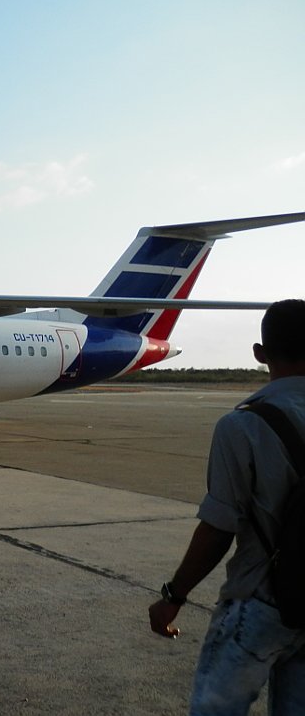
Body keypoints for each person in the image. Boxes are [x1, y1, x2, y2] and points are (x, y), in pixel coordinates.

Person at [148, 299, 305, 715]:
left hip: (260, 603)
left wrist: (174, 595)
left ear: (259, 353)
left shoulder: (243, 425)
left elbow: (218, 528)